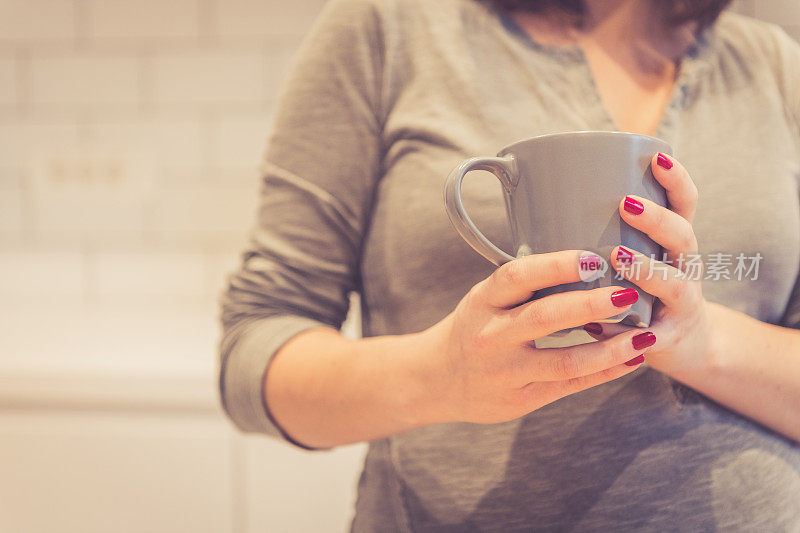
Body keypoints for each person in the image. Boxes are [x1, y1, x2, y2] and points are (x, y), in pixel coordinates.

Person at [218, 0, 800, 529]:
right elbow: (253, 350)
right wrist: (438, 376)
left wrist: (703, 343)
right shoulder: (386, 29)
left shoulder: (773, 64)